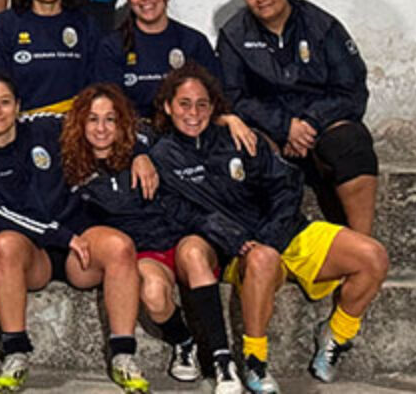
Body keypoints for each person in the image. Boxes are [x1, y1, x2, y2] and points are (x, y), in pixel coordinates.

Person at [150, 64, 389, 392]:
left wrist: (273, 235)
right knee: (262, 258)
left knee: (373, 256)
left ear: (214, 108)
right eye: (184, 104)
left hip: (284, 233)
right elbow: (183, 213)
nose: (193, 113)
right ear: (167, 106)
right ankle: (255, 363)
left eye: (202, 104)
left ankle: (336, 335)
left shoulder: (239, 136)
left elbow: (285, 184)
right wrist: (236, 238)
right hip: (242, 250)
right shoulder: (162, 157)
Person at [0, 73, 150, 394]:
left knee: (120, 246)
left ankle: (123, 356)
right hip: (34, 254)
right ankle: (15, 353)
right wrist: (59, 235)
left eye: (5, 102)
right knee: (3, 243)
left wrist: (142, 153)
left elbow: (107, 122)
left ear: (18, 106)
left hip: (80, 248)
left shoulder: (46, 126)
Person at [63, 83, 231, 392]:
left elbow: (192, 126)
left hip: (181, 237)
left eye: (110, 119)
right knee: (153, 294)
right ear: (80, 123)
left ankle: (223, 361)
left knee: (194, 255)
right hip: (141, 252)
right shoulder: (72, 164)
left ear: (123, 122)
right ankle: (184, 341)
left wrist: (231, 119)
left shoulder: (148, 146)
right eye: (93, 119)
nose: (101, 128)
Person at [218, 0, 378, 236]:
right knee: (242, 149)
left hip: (320, 125)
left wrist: (308, 123)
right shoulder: (234, 35)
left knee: (352, 143)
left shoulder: (321, 25)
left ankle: (363, 244)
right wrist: (283, 126)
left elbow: (352, 90)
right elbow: (233, 97)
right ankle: (269, 247)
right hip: (268, 129)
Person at [96, 0, 221, 122]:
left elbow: (216, 97)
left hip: (186, 134)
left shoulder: (193, 42)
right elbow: (107, 108)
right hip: (132, 136)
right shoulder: (112, 46)